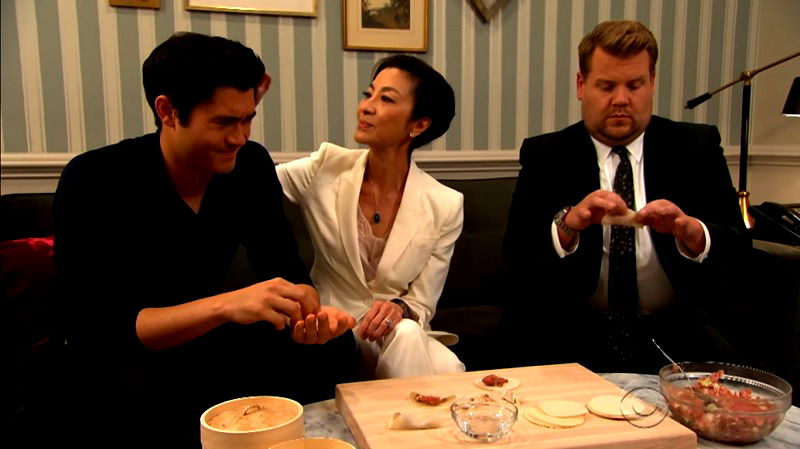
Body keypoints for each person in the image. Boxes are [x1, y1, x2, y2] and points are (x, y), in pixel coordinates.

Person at [53, 32, 357, 448]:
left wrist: (310, 317)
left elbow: (286, 269)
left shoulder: (249, 166)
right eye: (224, 122)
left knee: (335, 348)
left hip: (206, 340)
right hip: (123, 353)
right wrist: (227, 305)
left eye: (247, 119)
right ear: (167, 111)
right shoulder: (94, 179)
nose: (240, 137)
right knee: (133, 385)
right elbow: (101, 329)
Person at [501, 20, 750, 374]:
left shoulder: (696, 147)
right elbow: (516, 258)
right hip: (573, 331)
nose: (621, 99)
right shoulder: (546, 155)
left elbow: (739, 251)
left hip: (676, 330)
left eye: (634, 85)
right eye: (606, 86)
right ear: (581, 85)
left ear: (652, 82)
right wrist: (568, 225)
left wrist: (691, 232)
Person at [276, 55, 466, 379]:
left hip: (394, 335)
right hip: (334, 330)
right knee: (447, 371)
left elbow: (422, 304)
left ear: (419, 125)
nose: (366, 107)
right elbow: (253, 183)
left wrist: (399, 308)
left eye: (386, 99)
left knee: (418, 342)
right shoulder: (326, 168)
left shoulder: (445, 204)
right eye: (368, 94)